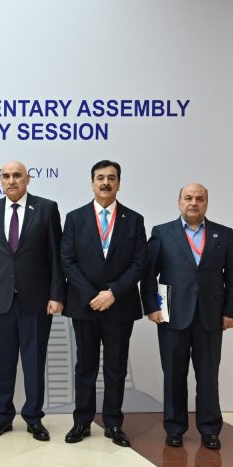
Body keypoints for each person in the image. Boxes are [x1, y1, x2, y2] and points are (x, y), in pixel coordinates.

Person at [142, 183, 233, 449]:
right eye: (188, 198)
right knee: (173, 375)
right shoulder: (162, 233)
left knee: (208, 376)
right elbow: (149, 274)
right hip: (171, 315)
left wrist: (231, 311)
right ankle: (175, 428)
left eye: (199, 198)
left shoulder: (224, 234)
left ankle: (210, 429)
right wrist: (152, 307)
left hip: (211, 316)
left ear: (206, 203)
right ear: (179, 202)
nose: (193, 202)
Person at [0, 160, 65, 441]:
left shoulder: (46, 209)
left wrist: (56, 294)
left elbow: (56, 255)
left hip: (36, 301)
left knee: (34, 362)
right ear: (0, 180)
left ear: (27, 179)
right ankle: (3, 416)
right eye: (6, 176)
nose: (11, 180)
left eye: (17, 175)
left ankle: (34, 418)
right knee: (2, 363)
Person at [60, 160, 147, 447]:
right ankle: (81, 422)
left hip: (120, 306)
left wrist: (113, 293)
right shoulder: (75, 218)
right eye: (100, 178)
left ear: (119, 183)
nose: (105, 183)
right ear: (92, 183)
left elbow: (139, 263)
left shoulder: (134, 220)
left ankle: (113, 423)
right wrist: (91, 295)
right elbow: (67, 261)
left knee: (116, 367)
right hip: (84, 306)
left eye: (111, 178)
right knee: (85, 367)